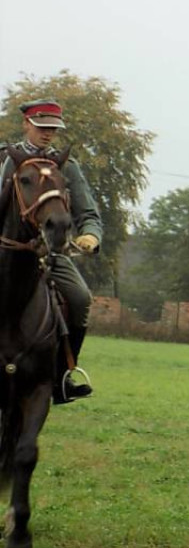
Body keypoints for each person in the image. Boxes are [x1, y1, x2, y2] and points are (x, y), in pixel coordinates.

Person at [0, 99, 102, 403]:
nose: (48, 134)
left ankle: (63, 375)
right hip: (5, 251)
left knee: (81, 299)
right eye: (42, 127)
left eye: (53, 129)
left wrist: (90, 237)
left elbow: (89, 214)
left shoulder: (67, 165)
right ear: (27, 125)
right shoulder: (5, 159)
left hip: (50, 256)